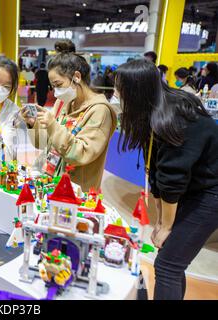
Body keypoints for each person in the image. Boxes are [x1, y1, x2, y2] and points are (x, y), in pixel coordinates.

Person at [114, 59, 218, 300]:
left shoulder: (173, 117)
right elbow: (158, 174)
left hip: (210, 194)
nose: (117, 94)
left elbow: (172, 180)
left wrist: (167, 226)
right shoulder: (155, 111)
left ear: (136, 91)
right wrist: (160, 222)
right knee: (170, 261)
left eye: (121, 89)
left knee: (167, 265)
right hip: (196, 190)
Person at [22, 43, 117, 191]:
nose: (55, 92)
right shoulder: (63, 103)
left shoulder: (100, 111)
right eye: (53, 87)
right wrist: (33, 123)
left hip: (77, 194)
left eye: (58, 85)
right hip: (52, 182)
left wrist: (53, 125)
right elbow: (45, 143)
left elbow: (80, 154)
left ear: (77, 77)